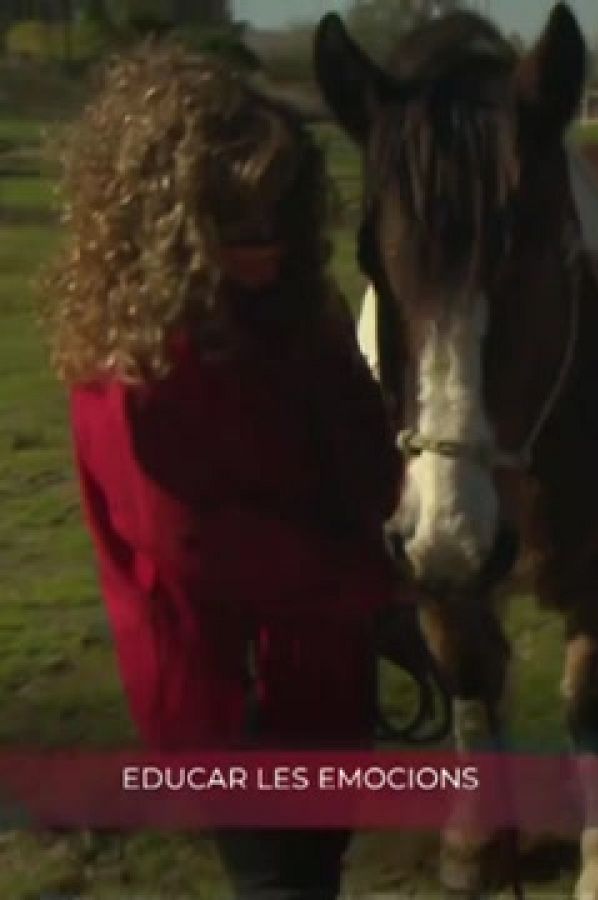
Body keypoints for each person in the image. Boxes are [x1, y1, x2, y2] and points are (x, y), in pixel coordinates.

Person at [38, 44, 405, 899]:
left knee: (316, 871)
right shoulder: (133, 368)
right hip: (229, 698)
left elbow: (365, 443)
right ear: (172, 224)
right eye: (240, 222)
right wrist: (372, 580)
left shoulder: (298, 314)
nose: (268, 242)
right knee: (278, 881)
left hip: (326, 673)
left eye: (281, 212)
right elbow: (198, 541)